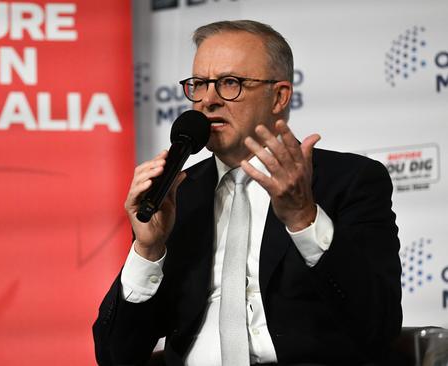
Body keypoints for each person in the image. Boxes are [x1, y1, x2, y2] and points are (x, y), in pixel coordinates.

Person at [93, 20, 402, 366]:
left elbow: (379, 325)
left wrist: (304, 218)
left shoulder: (347, 181)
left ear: (280, 96)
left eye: (229, 84)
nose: (208, 100)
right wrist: (148, 250)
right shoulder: (177, 194)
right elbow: (114, 357)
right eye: (198, 84)